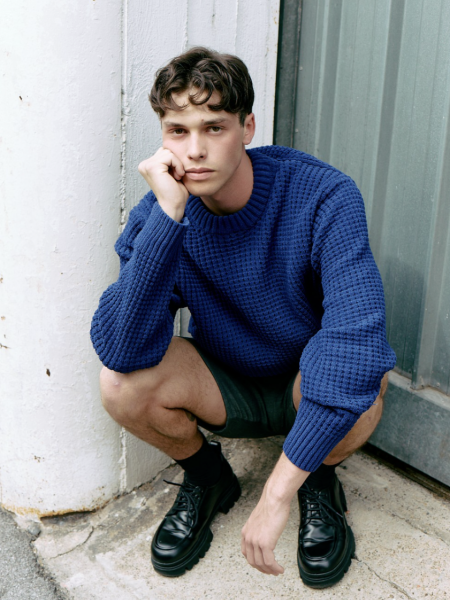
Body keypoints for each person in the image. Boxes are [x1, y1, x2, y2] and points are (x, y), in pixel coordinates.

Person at [91, 47, 396, 589]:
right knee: (119, 384)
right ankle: (209, 479)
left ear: (247, 127)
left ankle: (316, 482)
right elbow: (121, 348)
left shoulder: (323, 195)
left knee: (364, 381)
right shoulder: (161, 213)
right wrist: (169, 216)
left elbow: (356, 342)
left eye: (215, 127)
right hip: (226, 382)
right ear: (163, 137)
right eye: (178, 131)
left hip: (305, 380)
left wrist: (278, 491)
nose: (195, 150)